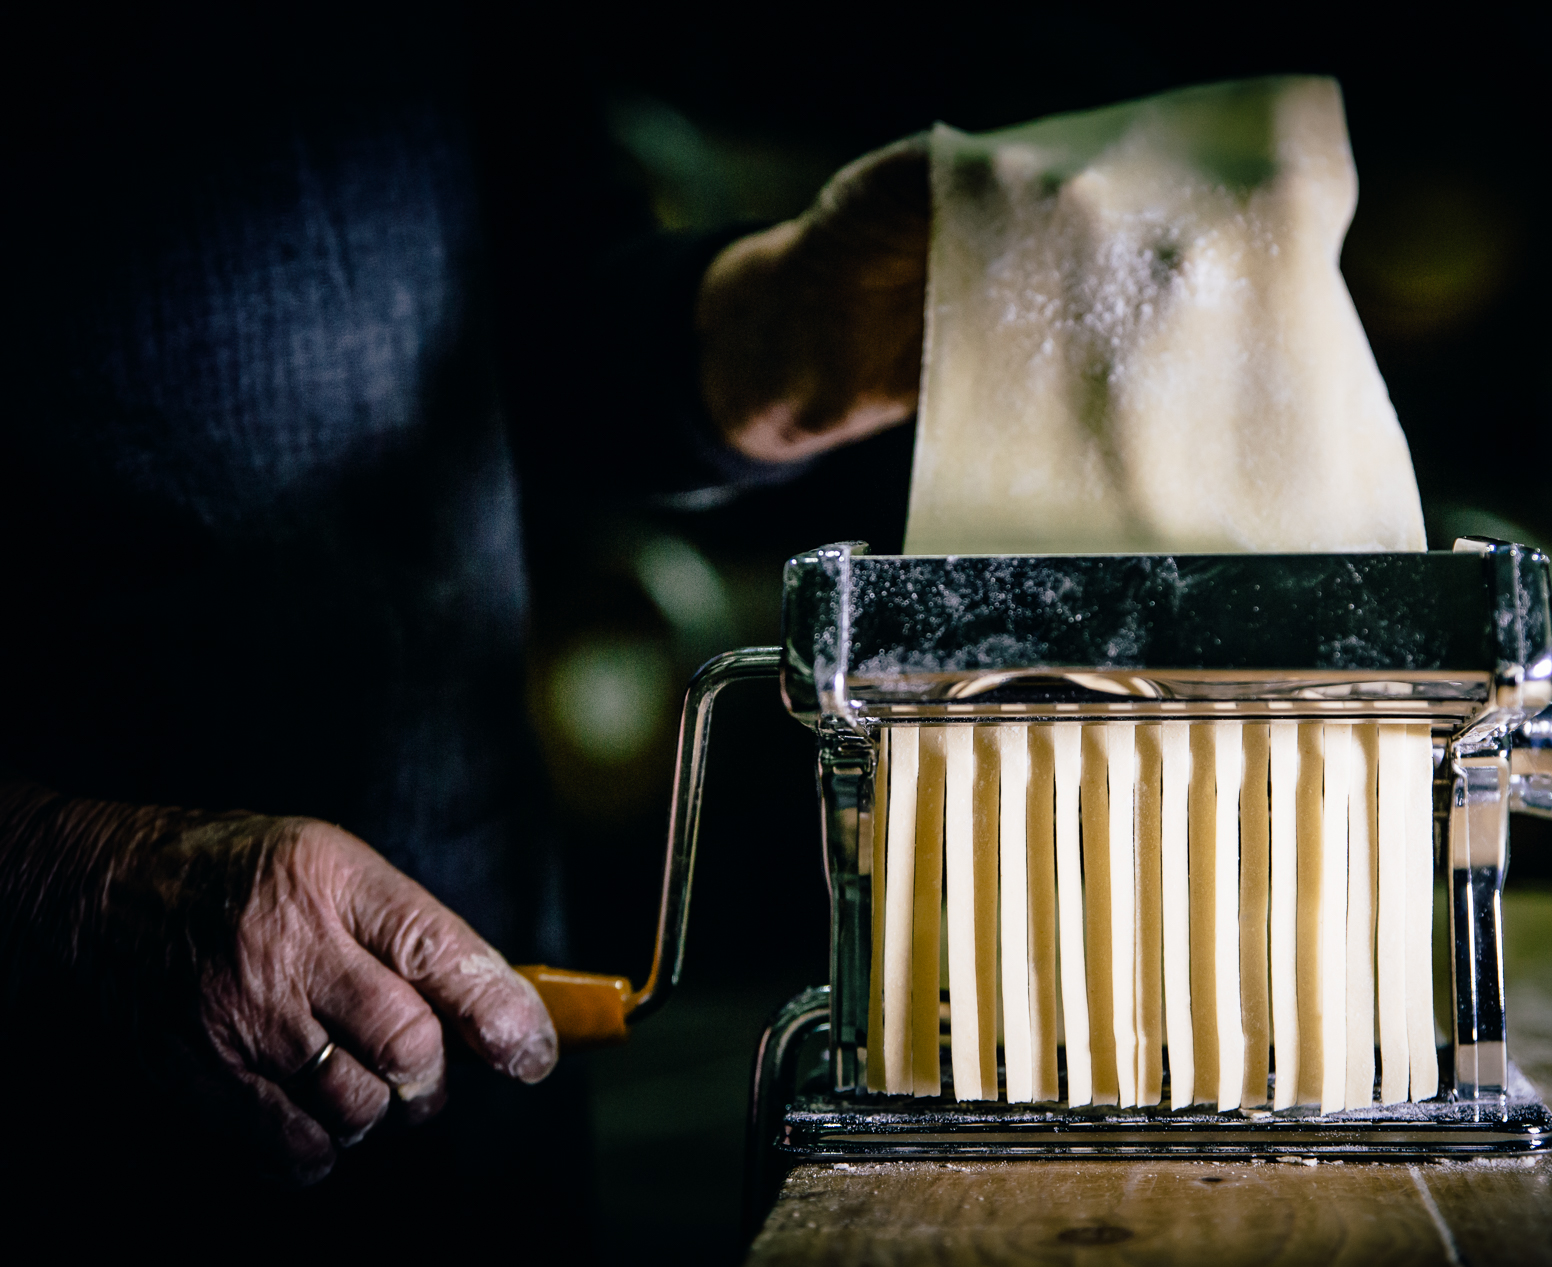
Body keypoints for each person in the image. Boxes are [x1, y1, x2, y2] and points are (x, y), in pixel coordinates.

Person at [0, 5, 925, 1252]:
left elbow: (535, 314)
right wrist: (66, 878)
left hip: (471, 1046)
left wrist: (786, 330)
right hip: (80, 1111)